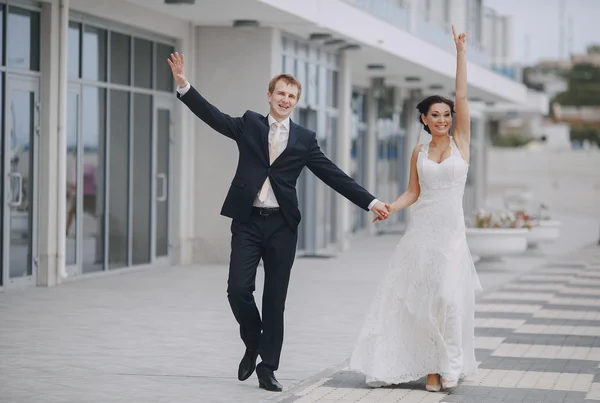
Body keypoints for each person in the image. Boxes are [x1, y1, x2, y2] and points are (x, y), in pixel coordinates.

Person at [167, 53, 390, 392]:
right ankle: (253, 341)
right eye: (280, 93)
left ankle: (268, 367)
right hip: (248, 222)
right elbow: (214, 118)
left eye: (291, 96)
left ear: (296, 102)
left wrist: (371, 201)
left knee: (275, 300)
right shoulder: (249, 124)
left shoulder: (304, 139)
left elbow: (333, 175)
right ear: (269, 96)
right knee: (238, 289)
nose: (285, 99)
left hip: (282, 226)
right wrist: (185, 86)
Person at [349, 25, 482, 392]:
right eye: (434, 115)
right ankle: (432, 368)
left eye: (446, 115)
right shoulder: (418, 152)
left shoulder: (461, 144)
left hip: (451, 234)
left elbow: (462, 94)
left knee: (447, 298)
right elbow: (413, 191)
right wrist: (390, 205)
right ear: (424, 119)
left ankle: (450, 364)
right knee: (421, 301)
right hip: (422, 233)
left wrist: (460, 54)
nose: (442, 120)